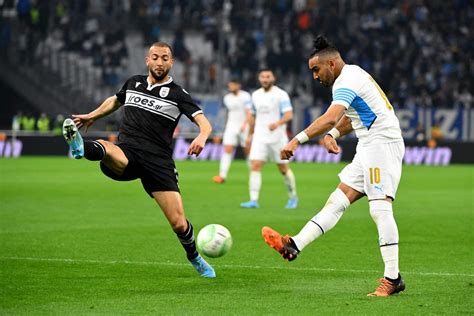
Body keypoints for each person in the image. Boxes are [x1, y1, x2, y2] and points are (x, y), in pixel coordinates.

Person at [261, 35, 406, 296]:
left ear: (332, 63)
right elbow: (354, 118)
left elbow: (330, 118)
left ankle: (392, 278)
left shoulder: (346, 79)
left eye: (316, 70)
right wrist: (334, 135)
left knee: (380, 209)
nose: (315, 76)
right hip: (369, 144)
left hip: (382, 143)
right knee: (337, 201)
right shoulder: (351, 76)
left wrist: (297, 139)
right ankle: (294, 244)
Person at [62, 42, 216, 278]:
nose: (160, 62)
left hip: (158, 162)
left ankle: (194, 257)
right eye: (155, 57)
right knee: (107, 148)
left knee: (178, 223)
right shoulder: (133, 82)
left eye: (165, 58)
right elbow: (115, 100)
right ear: (147, 60)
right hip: (128, 151)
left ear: (171, 63)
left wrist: (202, 137)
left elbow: (204, 122)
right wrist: (92, 115)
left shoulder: (178, 94)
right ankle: (81, 147)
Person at [240, 69, 298, 209]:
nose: (265, 79)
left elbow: (289, 115)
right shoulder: (255, 95)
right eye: (262, 77)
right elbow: (253, 116)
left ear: (273, 78)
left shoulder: (281, 94)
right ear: (259, 78)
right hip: (260, 137)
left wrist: (277, 123)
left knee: (283, 168)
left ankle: (293, 197)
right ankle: (253, 200)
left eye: (268, 77)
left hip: (278, 138)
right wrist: (250, 135)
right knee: (255, 165)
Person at [212, 79, 252, 184]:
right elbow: (226, 113)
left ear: (238, 85)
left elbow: (249, 112)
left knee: (247, 150)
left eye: (233, 85)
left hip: (244, 126)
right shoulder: (227, 98)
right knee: (227, 149)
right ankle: (222, 176)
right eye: (230, 85)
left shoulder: (245, 96)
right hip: (231, 127)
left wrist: (245, 124)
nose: (230, 87)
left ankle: (253, 174)